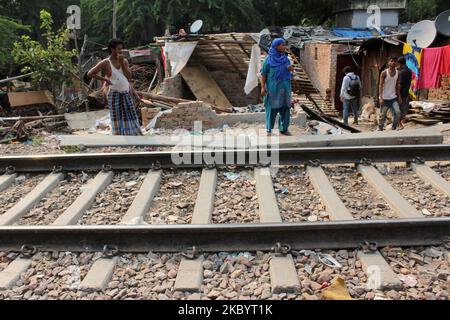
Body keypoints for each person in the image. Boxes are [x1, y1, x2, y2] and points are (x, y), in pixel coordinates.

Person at [87, 39, 142, 136]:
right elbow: (90, 73)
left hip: (126, 93)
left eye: (122, 49)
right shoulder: (106, 62)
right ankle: (119, 137)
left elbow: (128, 77)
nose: (120, 51)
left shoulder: (124, 61)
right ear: (112, 49)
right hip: (114, 94)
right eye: (118, 49)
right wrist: (106, 80)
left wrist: (122, 64)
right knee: (117, 117)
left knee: (131, 116)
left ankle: (132, 135)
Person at [260, 38, 293, 136]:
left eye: (284, 44)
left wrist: (290, 69)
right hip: (273, 89)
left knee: (285, 109)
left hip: (285, 88)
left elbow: (288, 70)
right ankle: (269, 129)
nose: (284, 47)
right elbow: (263, 74)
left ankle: (284, 128)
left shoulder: (285, 59)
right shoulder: (268, 60)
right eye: (282, 45)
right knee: (272, 109)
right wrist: (262, 87)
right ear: (276, 46)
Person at [378, 56, 402, 131]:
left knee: (397, 113)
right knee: (382, 115)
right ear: (388, 62)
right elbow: (380, 85)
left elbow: (397, 85)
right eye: (391, 61)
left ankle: (394, 127)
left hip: (393, 98)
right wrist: (381, 97)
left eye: (395, 61)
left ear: (396, 63)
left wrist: (399, 96)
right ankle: (380, 128)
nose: (393, 63)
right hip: (384, 98)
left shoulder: (398, 73)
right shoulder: (384, 73)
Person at [397, 56, 412, 129]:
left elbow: (400, 85)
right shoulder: (409, 71)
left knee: (399, 109)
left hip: (401, 94)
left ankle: (399, 124)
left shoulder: (402, 72)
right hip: (406, 92)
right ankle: (399, 123)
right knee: (403, 109)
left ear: (400, 64)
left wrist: (398, 95)